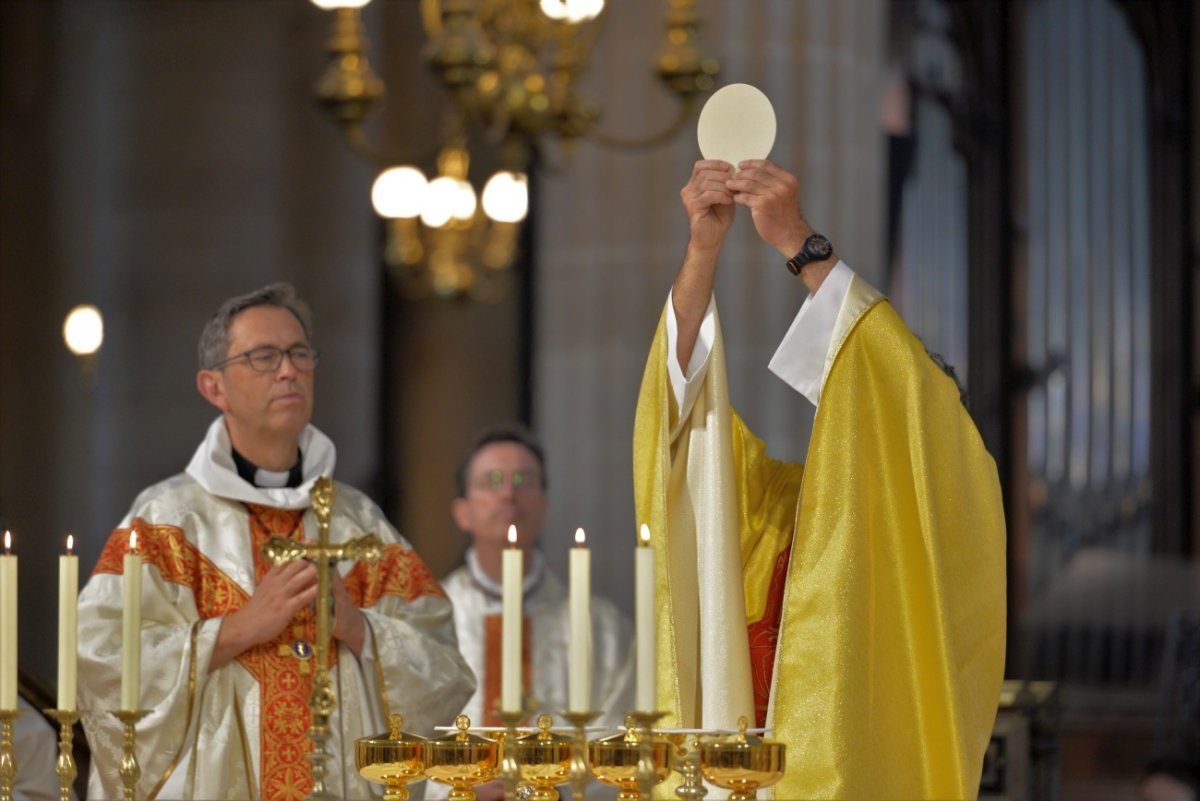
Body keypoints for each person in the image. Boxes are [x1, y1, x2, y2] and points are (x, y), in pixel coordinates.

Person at [633, 159, 1006, 799]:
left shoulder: (938, 523)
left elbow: (903, 386)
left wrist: (799, 243)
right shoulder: (774, 503)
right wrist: (702, 252)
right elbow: (679, 417)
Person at [76, 283, 476, 801]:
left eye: (299, 354)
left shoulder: (360, 525)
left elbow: (443, 667)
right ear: (212, 386)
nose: (289, 371)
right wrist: (234, 631)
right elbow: (101, 660)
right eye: (263, 356)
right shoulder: (165, 524)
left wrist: (360, 630)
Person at [437, 424, 635, 799]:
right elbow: (403, 737)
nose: (509, 492)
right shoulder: (429, 621)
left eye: (524, 480)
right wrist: (457, 792)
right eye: (492, 480)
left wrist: (555, 791)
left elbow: (625, 748)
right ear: (462, 512)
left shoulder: (602, 630)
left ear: (544, 506)